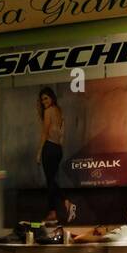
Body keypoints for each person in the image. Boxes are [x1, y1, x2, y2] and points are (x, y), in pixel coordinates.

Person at [35, 87, 76, 223]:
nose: (44, 101)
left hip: (50, 147)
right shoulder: (59, 111)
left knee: (51, 181)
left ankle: (66, 202)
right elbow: (61, 132)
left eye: (46, 98)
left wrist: (40, 151)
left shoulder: (48, 111)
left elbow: (45, 132)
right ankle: (52, 213)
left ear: (51, 97)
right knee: (51, 182)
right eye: (42, 99)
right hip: (58, 149)